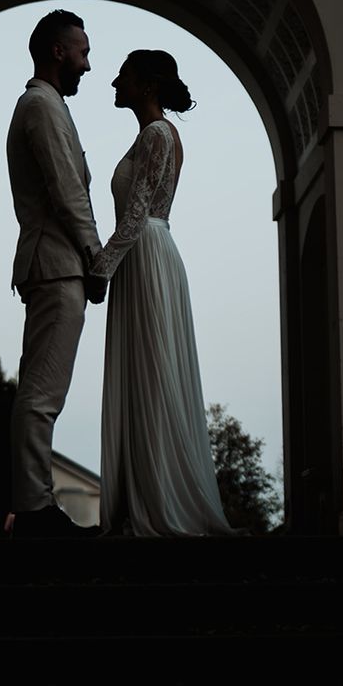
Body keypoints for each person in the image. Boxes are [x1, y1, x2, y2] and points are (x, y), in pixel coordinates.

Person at [90, 50, 234, 537]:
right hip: (146, 252)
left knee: (150, 372)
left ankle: (158, 502)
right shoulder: (155, 134)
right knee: (146, 372)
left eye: (123, 76)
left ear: (147, 86)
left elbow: (136, 212)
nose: (113, 81)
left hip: (145, 251)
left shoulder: (157, 134)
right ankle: (144, 497)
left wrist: (102, 267)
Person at [6, 10, 107, 538]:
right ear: (58, 52)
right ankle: (33, 510)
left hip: (56, 263)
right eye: (83, 52)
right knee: (42, 394)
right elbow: (68, 191)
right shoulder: (41, 106)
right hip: (58, 264)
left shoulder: (48, 106)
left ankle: (34, 505)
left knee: (42, 391)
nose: (89, 65)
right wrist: (96, 257)